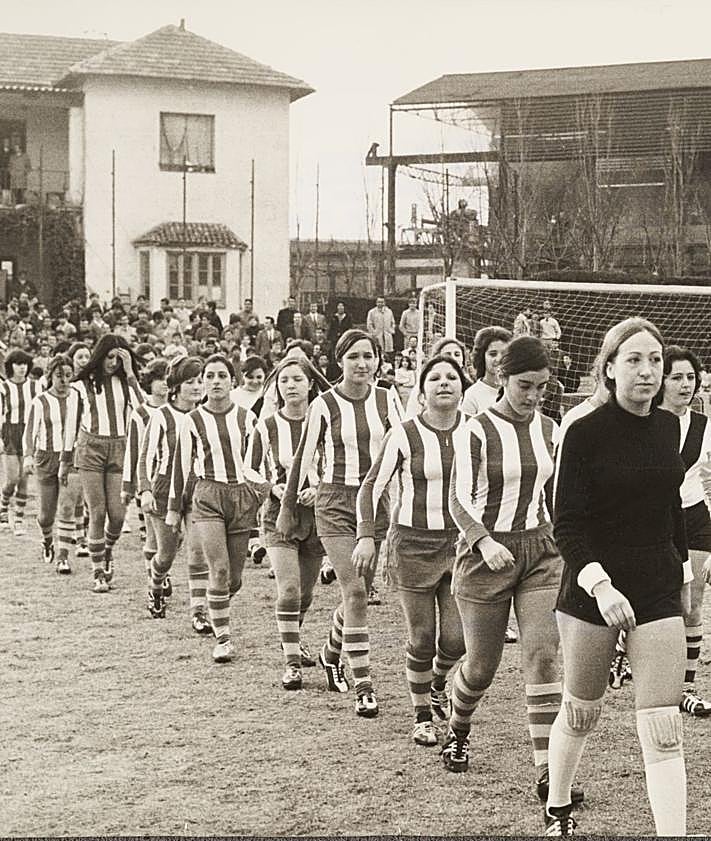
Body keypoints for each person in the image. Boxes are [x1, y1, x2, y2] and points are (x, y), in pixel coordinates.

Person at [548, 318, 691, 837]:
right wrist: (600, 584)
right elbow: (566, 523)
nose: (647, 371)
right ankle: (557, 806)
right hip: (594, 589)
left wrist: (682, 572)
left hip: (657, 586)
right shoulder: (582, 430)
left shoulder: (669, 426)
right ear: (608, 368)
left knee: (664, 725)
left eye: (655, 360)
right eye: (634, 360)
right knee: (582, 710)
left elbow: (671, 507)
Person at [447, 337, 584, 810]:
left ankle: (548, 771)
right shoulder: (476, 430)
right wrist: (484, 542)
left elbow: (559, 493)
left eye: (542, 387)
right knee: (481, 667)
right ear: (502, 378)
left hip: (541, 552)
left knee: (543, 656)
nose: (533, 395)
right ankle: (458, 726)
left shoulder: (550, 429)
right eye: (525, 385)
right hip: (485, 553)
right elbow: (458, 497)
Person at [277, 328, 402, 717]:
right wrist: (286, 507)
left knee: (358, 593)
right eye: (353, 357)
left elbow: (404, 448)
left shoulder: (388, 398)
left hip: (375, 502)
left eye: (368, 356)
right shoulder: (324, 404)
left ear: (378, 360)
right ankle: (364, 685)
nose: (362, 364)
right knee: (356, 593)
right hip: (334, 502)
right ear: (339, 360)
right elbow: (302, 458)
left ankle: (331, 653)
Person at [355, 355, 468, 745]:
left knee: (456, 639)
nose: (444, 383)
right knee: (422, 637)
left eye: (451, 377)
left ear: (463, 387)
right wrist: (366, 535)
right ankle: (422, 715)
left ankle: (437, 682)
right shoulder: (404, 434)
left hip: (461, 546)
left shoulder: (475, 430)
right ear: (421, 391)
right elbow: (371, 487)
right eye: (434, 378)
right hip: (413, 546)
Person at [167, 355, 267, 663]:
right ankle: (223, 639)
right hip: (208, 495)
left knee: (234, 579)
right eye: (208, 376)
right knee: (219, 570)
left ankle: (215, 605)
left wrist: (260, 494)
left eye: (222, 375)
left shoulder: (248, 418)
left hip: (241, 497)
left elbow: (259, 463)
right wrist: (173, 508)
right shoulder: (192, 420)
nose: (215, 381)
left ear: (232, 381)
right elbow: (181, 467)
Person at [245, 357, 329, 689]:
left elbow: (339, 463)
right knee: (289, 589)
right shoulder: (267, 425)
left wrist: (319, 489)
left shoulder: (325, 422)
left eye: (297, 379)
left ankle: (292, 637)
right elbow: (249, 468)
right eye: (284, 381)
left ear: (311, 384)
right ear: (276, 388)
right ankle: (292, 663)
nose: (290, 385)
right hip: (279, 515)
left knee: (305, 595)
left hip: (317, 515)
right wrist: (272, 487)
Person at [59, 334, 143, 593]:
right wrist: (64, 461)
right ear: (99, 356)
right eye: (109, 357)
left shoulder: (126, 383)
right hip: (90, 449)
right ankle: (97, 572)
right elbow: (71, 425)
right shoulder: (81, 385)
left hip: (119, 448)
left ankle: (106, 549)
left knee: (117, 515)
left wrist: (130, 373)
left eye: (119, 358)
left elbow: (143, 411)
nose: (113, 363)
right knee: (97, 512)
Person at [658, 345, 711, 717]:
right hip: (652, 520)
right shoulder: (643, 421)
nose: (685, 385)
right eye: (676, 377)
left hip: (693, 516)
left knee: (692, 605)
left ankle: (686, 688)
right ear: (661, 381)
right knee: (657, 601)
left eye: (690, 377)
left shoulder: (704, 426)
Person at [140, 356, 209, 630]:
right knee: (166, 555)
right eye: (190, 381)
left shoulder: (205, 415)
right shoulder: (161, 415)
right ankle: (155, 586)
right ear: (176, 386)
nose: (197, 386)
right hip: (164, 489)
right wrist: (145, 490)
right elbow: (145, 457)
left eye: (200, 380)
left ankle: (199, 611)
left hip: (196, 490)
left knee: (198, 552)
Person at [22, 354, 81, 573]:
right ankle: (47, 540)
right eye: (59, 375)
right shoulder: (41, 401)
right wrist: (28, 456)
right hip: (46, 457)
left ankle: (63, 557)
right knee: (46, 515)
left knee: (66, 507)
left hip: (72, 457)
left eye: (68, 375)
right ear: (50, 376)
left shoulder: (78, 398)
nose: (64, 380)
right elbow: (30, 431)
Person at [0, 348, 40, 535]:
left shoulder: (35, 386)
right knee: (12, 478)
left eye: (24, 364)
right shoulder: (4, 387)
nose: (22, 367)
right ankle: (3, 508)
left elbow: (39, 412)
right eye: (18, 364)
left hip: (28, 433)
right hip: (10, 432)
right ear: (11, 366)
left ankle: (19, 519)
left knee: (24, 478)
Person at [461, 326, 512, 416]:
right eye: (493, 354)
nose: (499, 359)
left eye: (504, 354)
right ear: (482, 357)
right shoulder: (472, 395)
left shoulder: (515, 389)